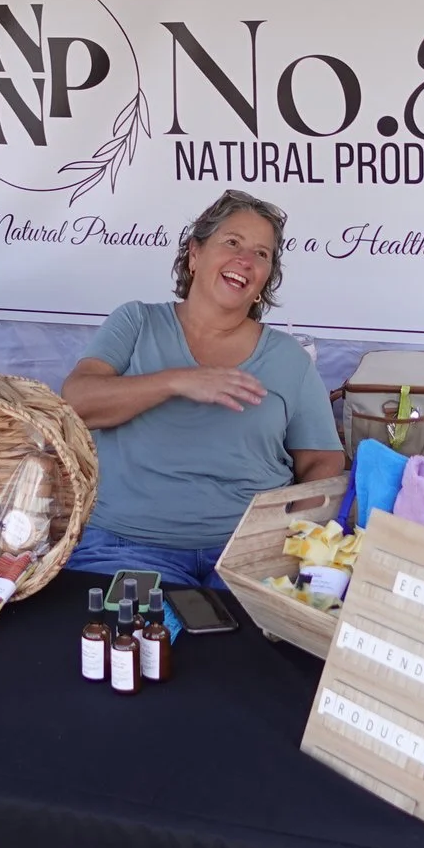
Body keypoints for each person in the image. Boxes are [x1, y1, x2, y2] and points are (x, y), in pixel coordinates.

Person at [61, 190, 343, 590]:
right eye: (232, 243)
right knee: (138, 645)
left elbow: (322, 460)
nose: (245, 260)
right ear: (194, 255)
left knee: (251, 648)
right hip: (128, 546)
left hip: (245, 555)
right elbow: (76, 403)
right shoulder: (138, 323)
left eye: (262, 254)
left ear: (265, 278)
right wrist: (176, 381)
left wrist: (279, 537)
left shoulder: (287, 358)